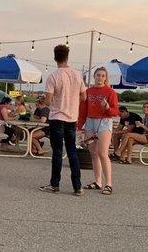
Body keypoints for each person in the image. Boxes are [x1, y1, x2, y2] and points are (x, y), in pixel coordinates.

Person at [39, 44, 86, 196]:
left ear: (55, 57)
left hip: (57, 117)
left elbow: (47, 101)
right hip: (72, 118)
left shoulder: (53, 76)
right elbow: (84, 96)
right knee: (72, 151)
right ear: (67, 56)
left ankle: (55, 184)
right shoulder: (77, 75)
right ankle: (77, 186)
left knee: (57, 152)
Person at [78, 67, 119, 196]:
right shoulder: (88, 91)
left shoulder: (110, 92)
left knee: (102, 153)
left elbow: (115, 112)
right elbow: (83, 111)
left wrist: (107, 107)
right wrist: (79, 127)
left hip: (104, 122)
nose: (100, 78)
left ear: (106, 78)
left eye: (102, 76)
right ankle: (98, 181)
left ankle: (109, 184)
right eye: (98, 75)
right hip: (90, 122)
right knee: (93, 153)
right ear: (94, 77)